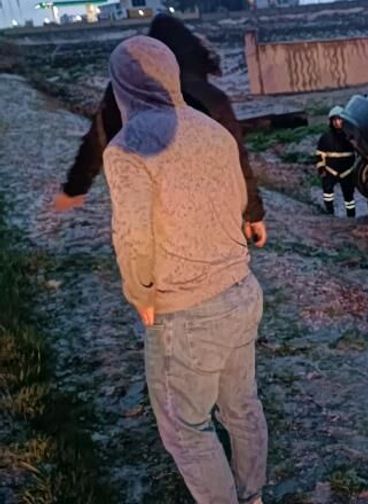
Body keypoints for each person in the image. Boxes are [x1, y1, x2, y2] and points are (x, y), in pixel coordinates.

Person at [103, 36, 267, 504]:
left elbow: (134, 238)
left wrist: (142, 296)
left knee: (186, 430)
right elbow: (238, 202)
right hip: (241, 289)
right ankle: (252, 496)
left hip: (187, 309)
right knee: (242, 407)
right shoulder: (212, 130)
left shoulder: (127, 147)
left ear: (123, 86)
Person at [54, 13, 267, 248]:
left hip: (145, 206)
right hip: (204, 208)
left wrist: (74, 189)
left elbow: (97, 140)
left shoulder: (123, 91)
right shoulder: (212, 98)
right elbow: (236, 159)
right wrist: (253, 215)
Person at [315, 106, 357, 217]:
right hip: (330, 170)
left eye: (339, 120)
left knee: (349, 197)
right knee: (327, 193)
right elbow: (319, 154)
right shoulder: (325, 137)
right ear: (331, 121)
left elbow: (359, 153)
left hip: (347, 171)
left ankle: (351, 216)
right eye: (335, 120)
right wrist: (321, 169)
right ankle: (329, 213)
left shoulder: (351, 136)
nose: (337, 123)